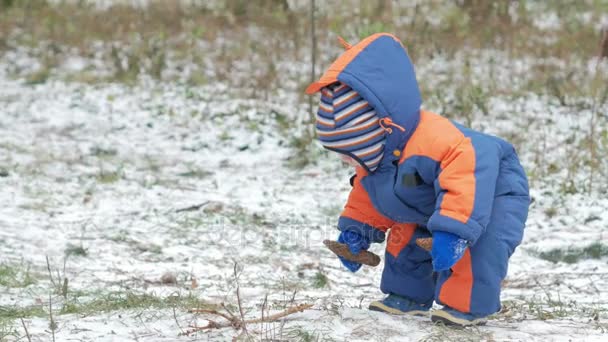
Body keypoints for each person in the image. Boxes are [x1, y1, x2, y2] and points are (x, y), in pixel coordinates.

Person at [306, 33, 530, 326]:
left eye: (351, 152)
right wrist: (356, 233)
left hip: (490, 190)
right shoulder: (376, 159)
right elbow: (368, 198)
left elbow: (467, 179)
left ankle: (467, 306)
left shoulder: (437, 142)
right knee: (405, 237)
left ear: (379, 134)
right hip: (432, 198)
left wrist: (453, 230)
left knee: (479, 248)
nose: (346, 161)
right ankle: (408, 296)